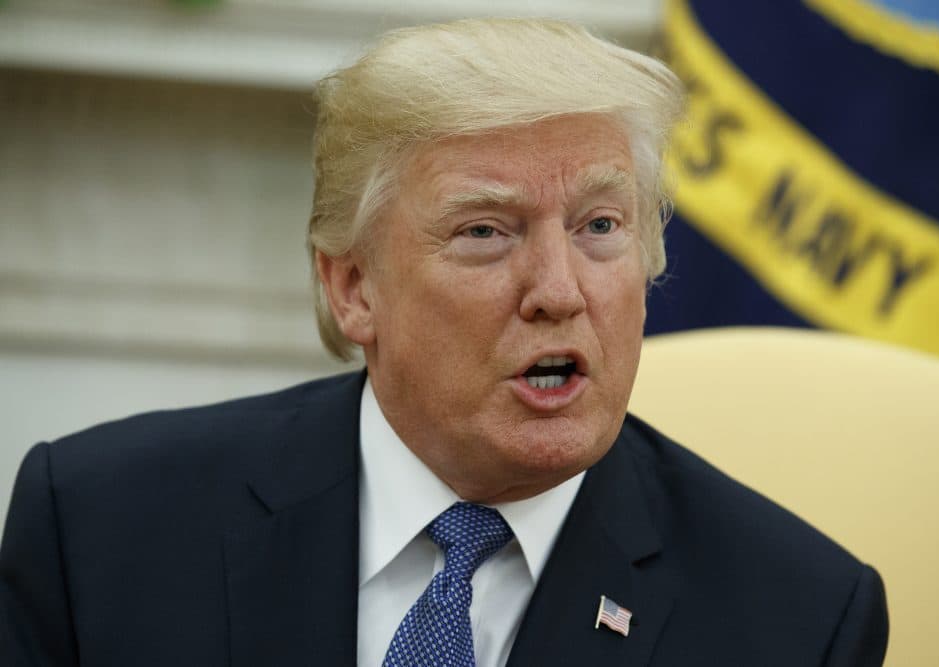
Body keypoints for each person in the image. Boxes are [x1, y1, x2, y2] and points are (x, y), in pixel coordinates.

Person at [0, 18, 887, 667]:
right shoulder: (97, 529)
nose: (559, 290)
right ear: (352, 286)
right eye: (485, 232)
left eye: (601, 224)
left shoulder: (800, 620)